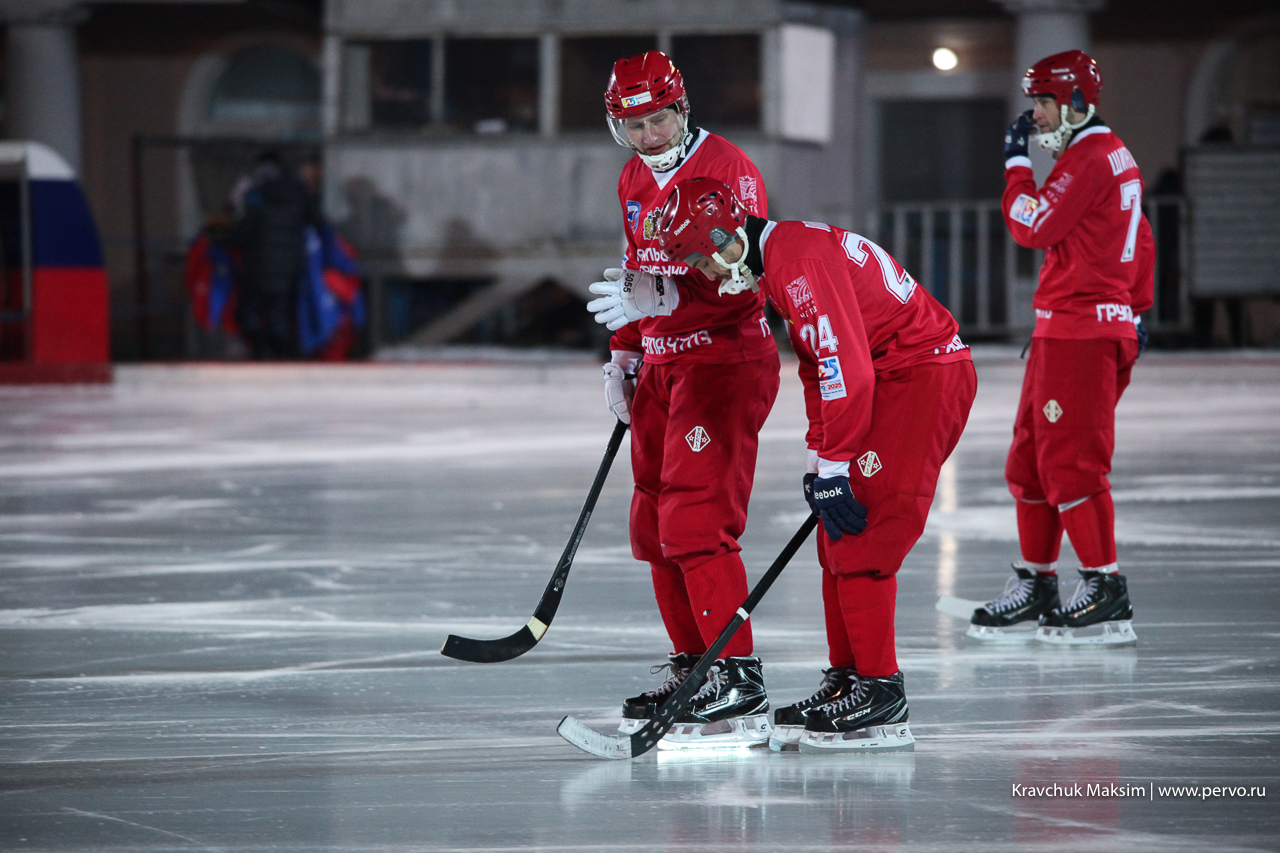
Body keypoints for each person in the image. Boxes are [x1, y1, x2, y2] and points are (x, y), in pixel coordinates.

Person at [653, 176, 976, 754]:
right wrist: (820, 454)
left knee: (864, 536)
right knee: (838, 535)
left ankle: (881, 693)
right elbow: (819, 367)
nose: (704, 274)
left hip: (918, 380)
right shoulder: (784, 258)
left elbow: (845, 369)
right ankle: (850, 678)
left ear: (728, 237)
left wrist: (834, 466)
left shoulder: (795, 265)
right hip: (895, 379)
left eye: (702, 258)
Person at [583, 52, 780, 748]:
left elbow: (747, 277)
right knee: (653, 529)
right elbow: (637, 272)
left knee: (696, 524)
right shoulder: (633, 177)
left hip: (723, 363)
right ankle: (695, 665)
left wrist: (667, 296)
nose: (650, 134)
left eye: (659, 117)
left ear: (683, 109)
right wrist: (626, 353)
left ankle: (737, 676)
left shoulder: (727, 170)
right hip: (664, 368)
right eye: (633, 123)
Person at [968, 50, 1153, 645]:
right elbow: (1140, 236)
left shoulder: (1090, 157)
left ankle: (1105, 588)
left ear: (1075, 101)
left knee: (1072, 465)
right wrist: (1136, 307)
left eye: (1044, 103)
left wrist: (1016, 166)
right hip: (1065, 329)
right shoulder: (1103, 154)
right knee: (1028, 464)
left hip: (1082, 332)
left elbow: (1031, 225)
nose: (1036, 117)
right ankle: (1037, 583)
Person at [231, 151, 320, 359]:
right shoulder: (298, 193)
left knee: (247, 312)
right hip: (289, 267)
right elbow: (317, 221)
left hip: (257, 267)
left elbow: (242, 232)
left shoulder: (256, 195)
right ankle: (282, 356)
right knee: (279, 314)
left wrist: (223, 233)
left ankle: (260, 351)